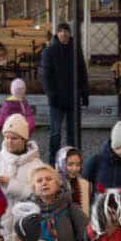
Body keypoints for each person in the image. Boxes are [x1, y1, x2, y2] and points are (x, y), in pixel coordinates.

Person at [38, 23, 90, 160]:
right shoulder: (49, 52)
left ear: (70, 33)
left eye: (66, 30)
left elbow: (82, 72)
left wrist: (84, 93)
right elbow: (45, 76)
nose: (63, 33)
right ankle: (52, 160)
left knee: (73, 132)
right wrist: (52, 95)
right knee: (55, 133)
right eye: (60, 31)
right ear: (57, 34)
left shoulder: (76, 50)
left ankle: (71, 160)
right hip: (57, 100)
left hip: (73, 98)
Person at [0, 120, 42, 205]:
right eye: (7, 137)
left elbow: (40, 197)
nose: (9, 142)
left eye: (14, 138)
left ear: (25, 140)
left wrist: (12, 185)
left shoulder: (37, 166)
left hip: (25, 216)